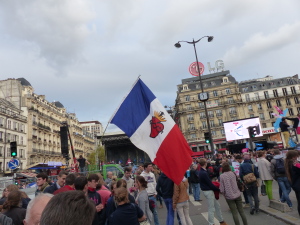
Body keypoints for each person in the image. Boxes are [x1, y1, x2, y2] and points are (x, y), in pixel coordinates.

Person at [198, 158, 228, 225]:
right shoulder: (203, 173)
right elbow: (210, 184)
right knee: (211, 208)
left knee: (217, 206)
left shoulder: (201, 171)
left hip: (207, 190)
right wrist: (218, 189)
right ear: (205, 163)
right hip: (208, 191)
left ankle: (221, 220)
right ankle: (211, 223)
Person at [284, 150, 300, 215]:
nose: (297, 157)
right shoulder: (294, 164)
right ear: (293, 157)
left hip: (295, 184)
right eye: (297, 156)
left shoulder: (288, 163)